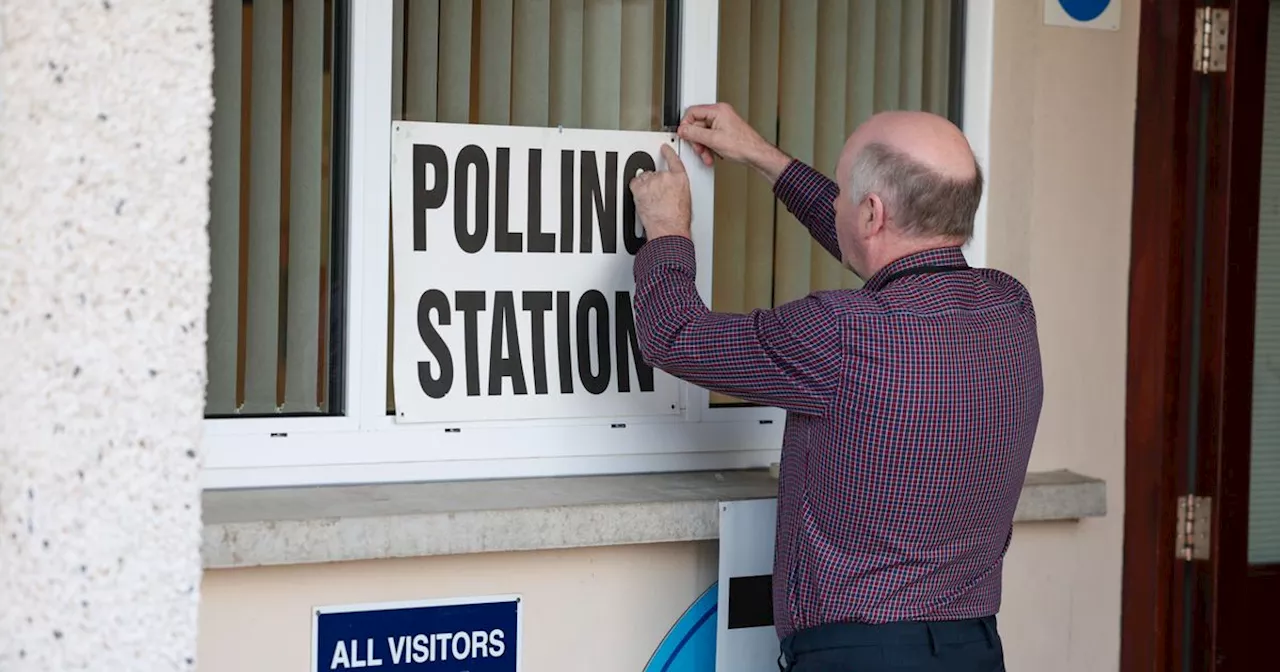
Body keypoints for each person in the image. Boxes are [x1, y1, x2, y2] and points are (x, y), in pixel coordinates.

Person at [627, 104, 1043, 671]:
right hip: (973, 649)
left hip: (858, 656)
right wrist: (763, 156)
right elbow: (888, 249)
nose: (838, 204)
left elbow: (674, 336)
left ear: (871, 212)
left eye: (844, 193)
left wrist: (668, 231)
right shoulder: (1009, 307)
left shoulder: (843, 333)